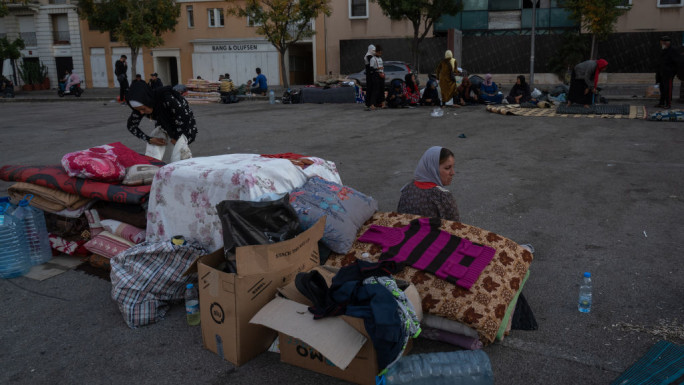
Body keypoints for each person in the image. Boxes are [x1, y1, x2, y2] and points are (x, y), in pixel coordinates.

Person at [125, 81, 197, 163]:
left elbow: (184, 117)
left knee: (179, 153)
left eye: (143, 109)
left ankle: (181, 170)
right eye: (138, 110)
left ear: (147, 100)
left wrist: (176, 137)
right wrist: (149, 139)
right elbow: (131, 126)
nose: (141, 112)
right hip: (163, 123)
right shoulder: (141, 107)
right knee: (155, 142)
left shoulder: (167, 98)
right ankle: (152, 167)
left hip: (183, 123)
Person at [397, 146, 459, 222]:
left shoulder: (407, 189)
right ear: (432, 168)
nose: (453, 172)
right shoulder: (442, 197)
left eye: (453, 167)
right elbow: (456, 228)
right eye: (447, 168)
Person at [656, 36, 679, 109]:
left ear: (666, 43)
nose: (661, 44)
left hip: (668, 74)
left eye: (662, 42)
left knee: (667, 89)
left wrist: (672, 72)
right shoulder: (663, 50)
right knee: (662, 88)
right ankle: (661, 103)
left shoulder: (672, 50)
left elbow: (676, 62)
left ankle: (668, 104)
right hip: (661, 73)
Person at [367, 45, 386, 110]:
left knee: (382, 89)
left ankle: (383, 104)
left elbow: (382, 67)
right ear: (376, 52)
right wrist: (378, 69)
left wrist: (383, 73)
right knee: (375, 90)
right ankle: (372, 104)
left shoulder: (380, 59)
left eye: (381, 53)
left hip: (381, 75)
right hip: (375, 75)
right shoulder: (372, 59)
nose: (380, 54)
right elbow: (371, 69)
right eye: (379, 52)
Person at [364, 44, 376, 110]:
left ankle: (368, 103)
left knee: (370, 89)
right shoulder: (369, 56)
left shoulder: (370, 56)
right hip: (370, 75)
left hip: (370, 75)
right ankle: (369, 103)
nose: (374, 51)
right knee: (370, 89)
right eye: (373, 50)